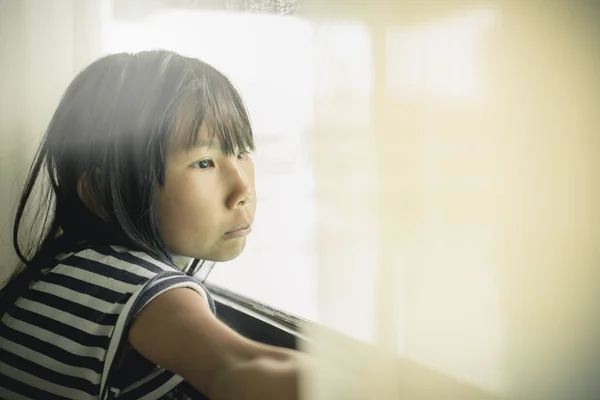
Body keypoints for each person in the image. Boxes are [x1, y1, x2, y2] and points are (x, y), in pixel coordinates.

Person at [0, 50, 305, 400]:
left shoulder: (61, 270)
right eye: (204, 162)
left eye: (241, 152)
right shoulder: (146, 292)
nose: (243, 190)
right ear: (102, 193)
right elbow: (238, 367)